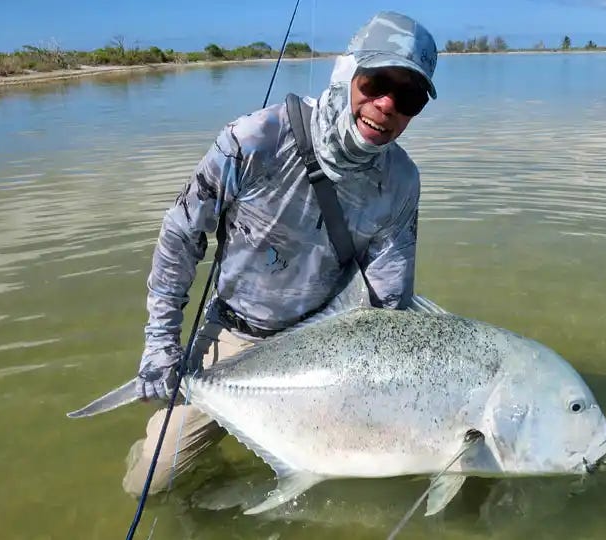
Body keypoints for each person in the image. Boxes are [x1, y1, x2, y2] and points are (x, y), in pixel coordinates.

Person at [121, 11, 439, 496]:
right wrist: (161, 343)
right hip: (236, 336)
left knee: (394, 467)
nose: (386, 105)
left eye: (408, 97)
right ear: (347, 72)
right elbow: (180, 237)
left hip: (331, 348)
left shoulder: (401, 181)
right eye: (375, 82)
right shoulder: (255, 139)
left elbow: (387, 303)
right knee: (152, 482)